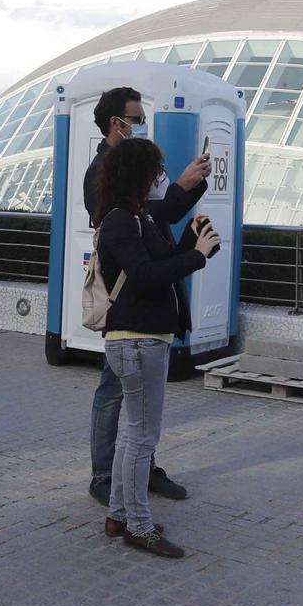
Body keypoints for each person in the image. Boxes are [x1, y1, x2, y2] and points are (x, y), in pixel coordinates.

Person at [81, 86, 212, 507]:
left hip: (150, 311)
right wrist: (179, 191)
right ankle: (106, 476)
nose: (141, 125)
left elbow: (160, 216)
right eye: (137, 118)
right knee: (114, 393)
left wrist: (189, 186)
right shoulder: (103, 170)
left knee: (139, 405)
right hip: (129, 311)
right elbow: (126, 219)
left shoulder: (135, 168)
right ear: (116, 123)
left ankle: (140, 467)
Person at [94, 137, 221, 559]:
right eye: (156, 172)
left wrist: (192, 240)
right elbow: (147, 276)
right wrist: (197, 258)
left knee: (133, 436)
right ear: (140, 176)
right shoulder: (118, 220)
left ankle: (118, 516)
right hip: (136, 341)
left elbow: (165, 261)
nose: (161, 179)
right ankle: (139, 526)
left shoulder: (140, 217)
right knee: (142, 439)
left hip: (145, 339)